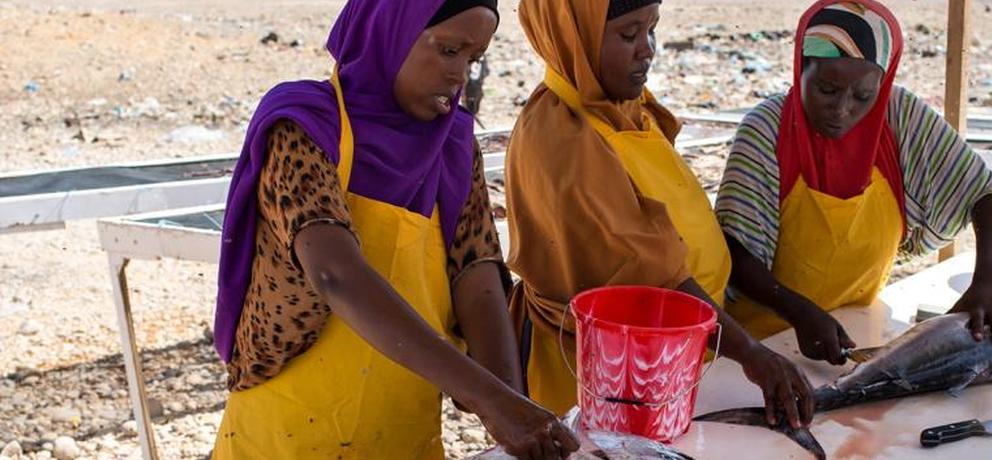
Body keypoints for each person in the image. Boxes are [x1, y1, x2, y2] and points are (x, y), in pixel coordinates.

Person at [210, 1, 578, 458]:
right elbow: (335, 275)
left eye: (473, 59)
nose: (459, 74)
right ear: (391, 30)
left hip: (402, 430)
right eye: (448, 50)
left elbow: (477, 273)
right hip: (288, 433)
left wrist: (508, 401)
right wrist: (494, 400)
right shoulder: (305, 125)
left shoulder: (454, 145)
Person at [505, 0, 815, 429]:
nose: (647, 49)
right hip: (607, 380)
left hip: (674, 354)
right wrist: (749, 352)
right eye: (628, 35)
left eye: (652, 29)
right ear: (572, 37)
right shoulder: (564, 140)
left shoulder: (623, 107)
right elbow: (650, 276)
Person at [715, 0, 992, 367]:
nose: (842, 109)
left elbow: (986, 194)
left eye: (863, 96)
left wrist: (990, 279)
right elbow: (735, 252)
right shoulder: (766, 130)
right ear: (800, 70)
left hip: (858, 329)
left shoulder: (898, 116)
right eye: (827, 89)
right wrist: (797, 311)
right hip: (758, 347)